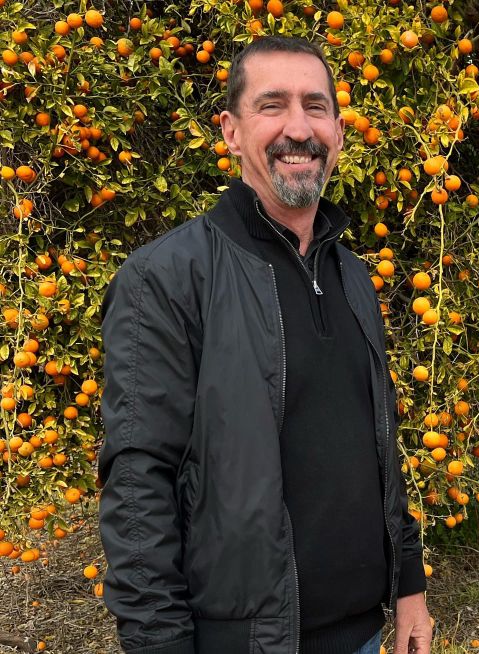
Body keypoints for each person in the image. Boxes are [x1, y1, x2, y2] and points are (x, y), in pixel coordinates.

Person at [99, 36, 432, 654]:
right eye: (272, 106)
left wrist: (408, 584)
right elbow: (137, 485)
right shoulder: (167, 279)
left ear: (337, 126)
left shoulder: (353, 275)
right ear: (229, 131)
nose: (298, 129)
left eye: (316, 106)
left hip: (363, 634)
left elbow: (379, 444)